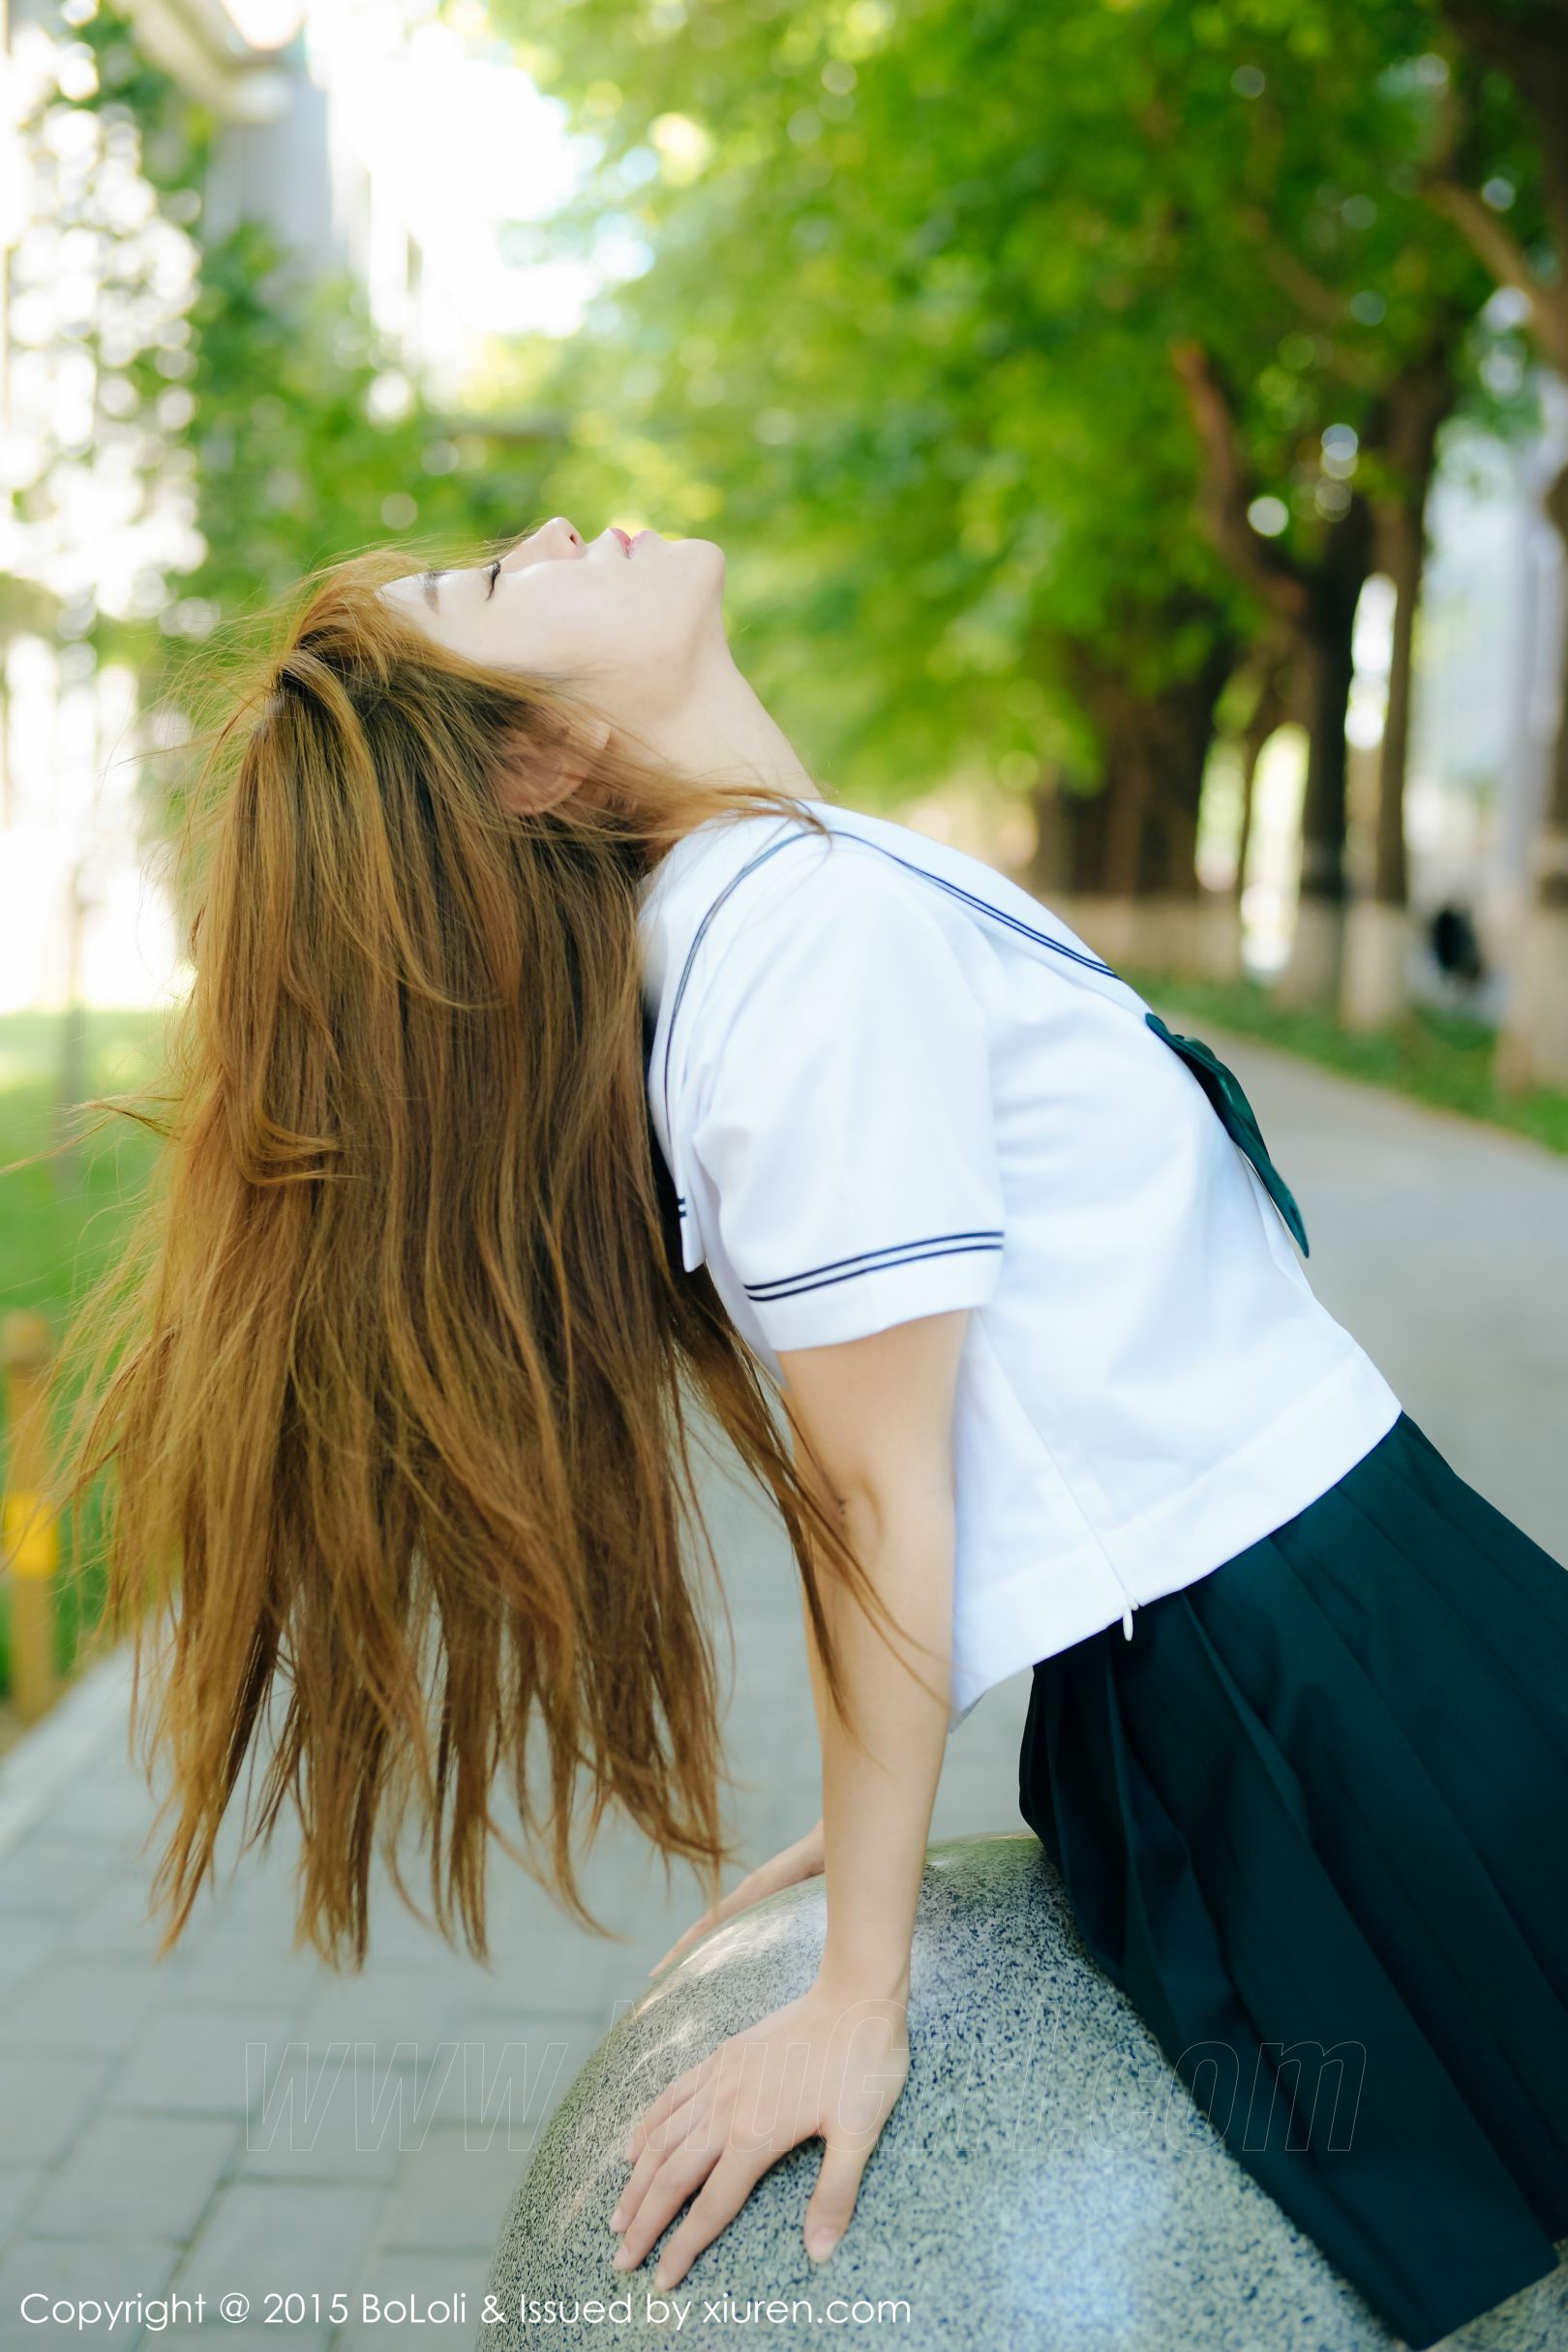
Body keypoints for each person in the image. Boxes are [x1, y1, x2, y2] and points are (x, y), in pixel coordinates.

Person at [22, 517, 1567, 2352]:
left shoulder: (794, 896)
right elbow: (872, 1486)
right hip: (1325, 1669)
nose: (547, 533)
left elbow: (988, 1433)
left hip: (1324, 1626)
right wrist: (857, 1985)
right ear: (542, 756)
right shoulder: (794, 950)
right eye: (503, 589)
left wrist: (872, 1832)